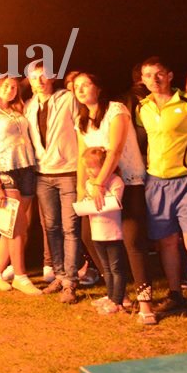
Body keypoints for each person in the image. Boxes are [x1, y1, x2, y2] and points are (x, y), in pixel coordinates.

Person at [135, 57, 187, 323]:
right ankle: (176, 295)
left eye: (158, 74)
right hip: (156, 182)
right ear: (142, 80)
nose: (154, 80)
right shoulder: (142, 107)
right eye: (148, 75)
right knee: (167, 242)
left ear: (169, 75)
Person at [73, 72, 155, 324]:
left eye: (86, 84)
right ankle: (117, 295)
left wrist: (99, 182)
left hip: (128, 183)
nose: (81, 89)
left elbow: (116, 149)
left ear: (98, 87)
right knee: (89, 237)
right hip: (96, 189)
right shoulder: (81, 120)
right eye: (76, 87)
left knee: (132, 242)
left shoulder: (116, 110)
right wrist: (82, 191)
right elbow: (81, 157)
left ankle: (146, 305)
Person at [0, 77, 41, 296]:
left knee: (11, 227)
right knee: (16, 226)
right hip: (5, 171)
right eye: (5, 85)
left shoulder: (18, 113)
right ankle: (20, 277)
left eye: (14, 87)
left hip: (27, 168)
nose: (10, 89)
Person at [24, 61, 82, 304]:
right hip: (43, 173)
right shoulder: (29, 106)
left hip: (68, 171)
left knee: (70, 228)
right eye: (34, 77)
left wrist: (84, 165)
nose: (39, 81)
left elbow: (82, 129)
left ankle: (71, 281)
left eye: (44, 75)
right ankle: (59, 274)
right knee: (52, 228)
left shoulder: (68, 98)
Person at [79, 148, 126, 315]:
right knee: (106, 268)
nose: (88, 171)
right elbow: (87, 202)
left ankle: (118, 300)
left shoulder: (115, 181)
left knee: (116, 268)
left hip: (113, 232)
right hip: (97, 231)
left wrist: (97, 196)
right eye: (86, 168)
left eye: (92, 167)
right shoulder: (88, 184)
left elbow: (113, 202)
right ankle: (111, 296)